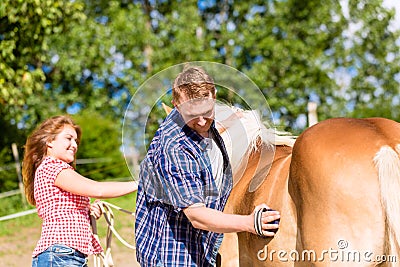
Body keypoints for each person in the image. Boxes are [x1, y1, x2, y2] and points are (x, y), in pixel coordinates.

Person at [135, 65, 280, 266]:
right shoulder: (175, 147)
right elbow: (196, 216)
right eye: (192, 114)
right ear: (176, 105)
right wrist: (249, 223)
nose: (203, 121)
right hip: (173, 257)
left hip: (196, 250)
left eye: (208, 111)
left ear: (214, 97)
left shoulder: (201, 121)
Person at [22, 115, 138, 267]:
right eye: (68, 138)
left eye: (75, 141)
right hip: (61, 255)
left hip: (66, 255)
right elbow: (98, 189)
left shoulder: (52, 169)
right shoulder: (52, 167)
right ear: (50, 141)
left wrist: (88, 212)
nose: (74, 145)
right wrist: (140, 184)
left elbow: (64, 210)